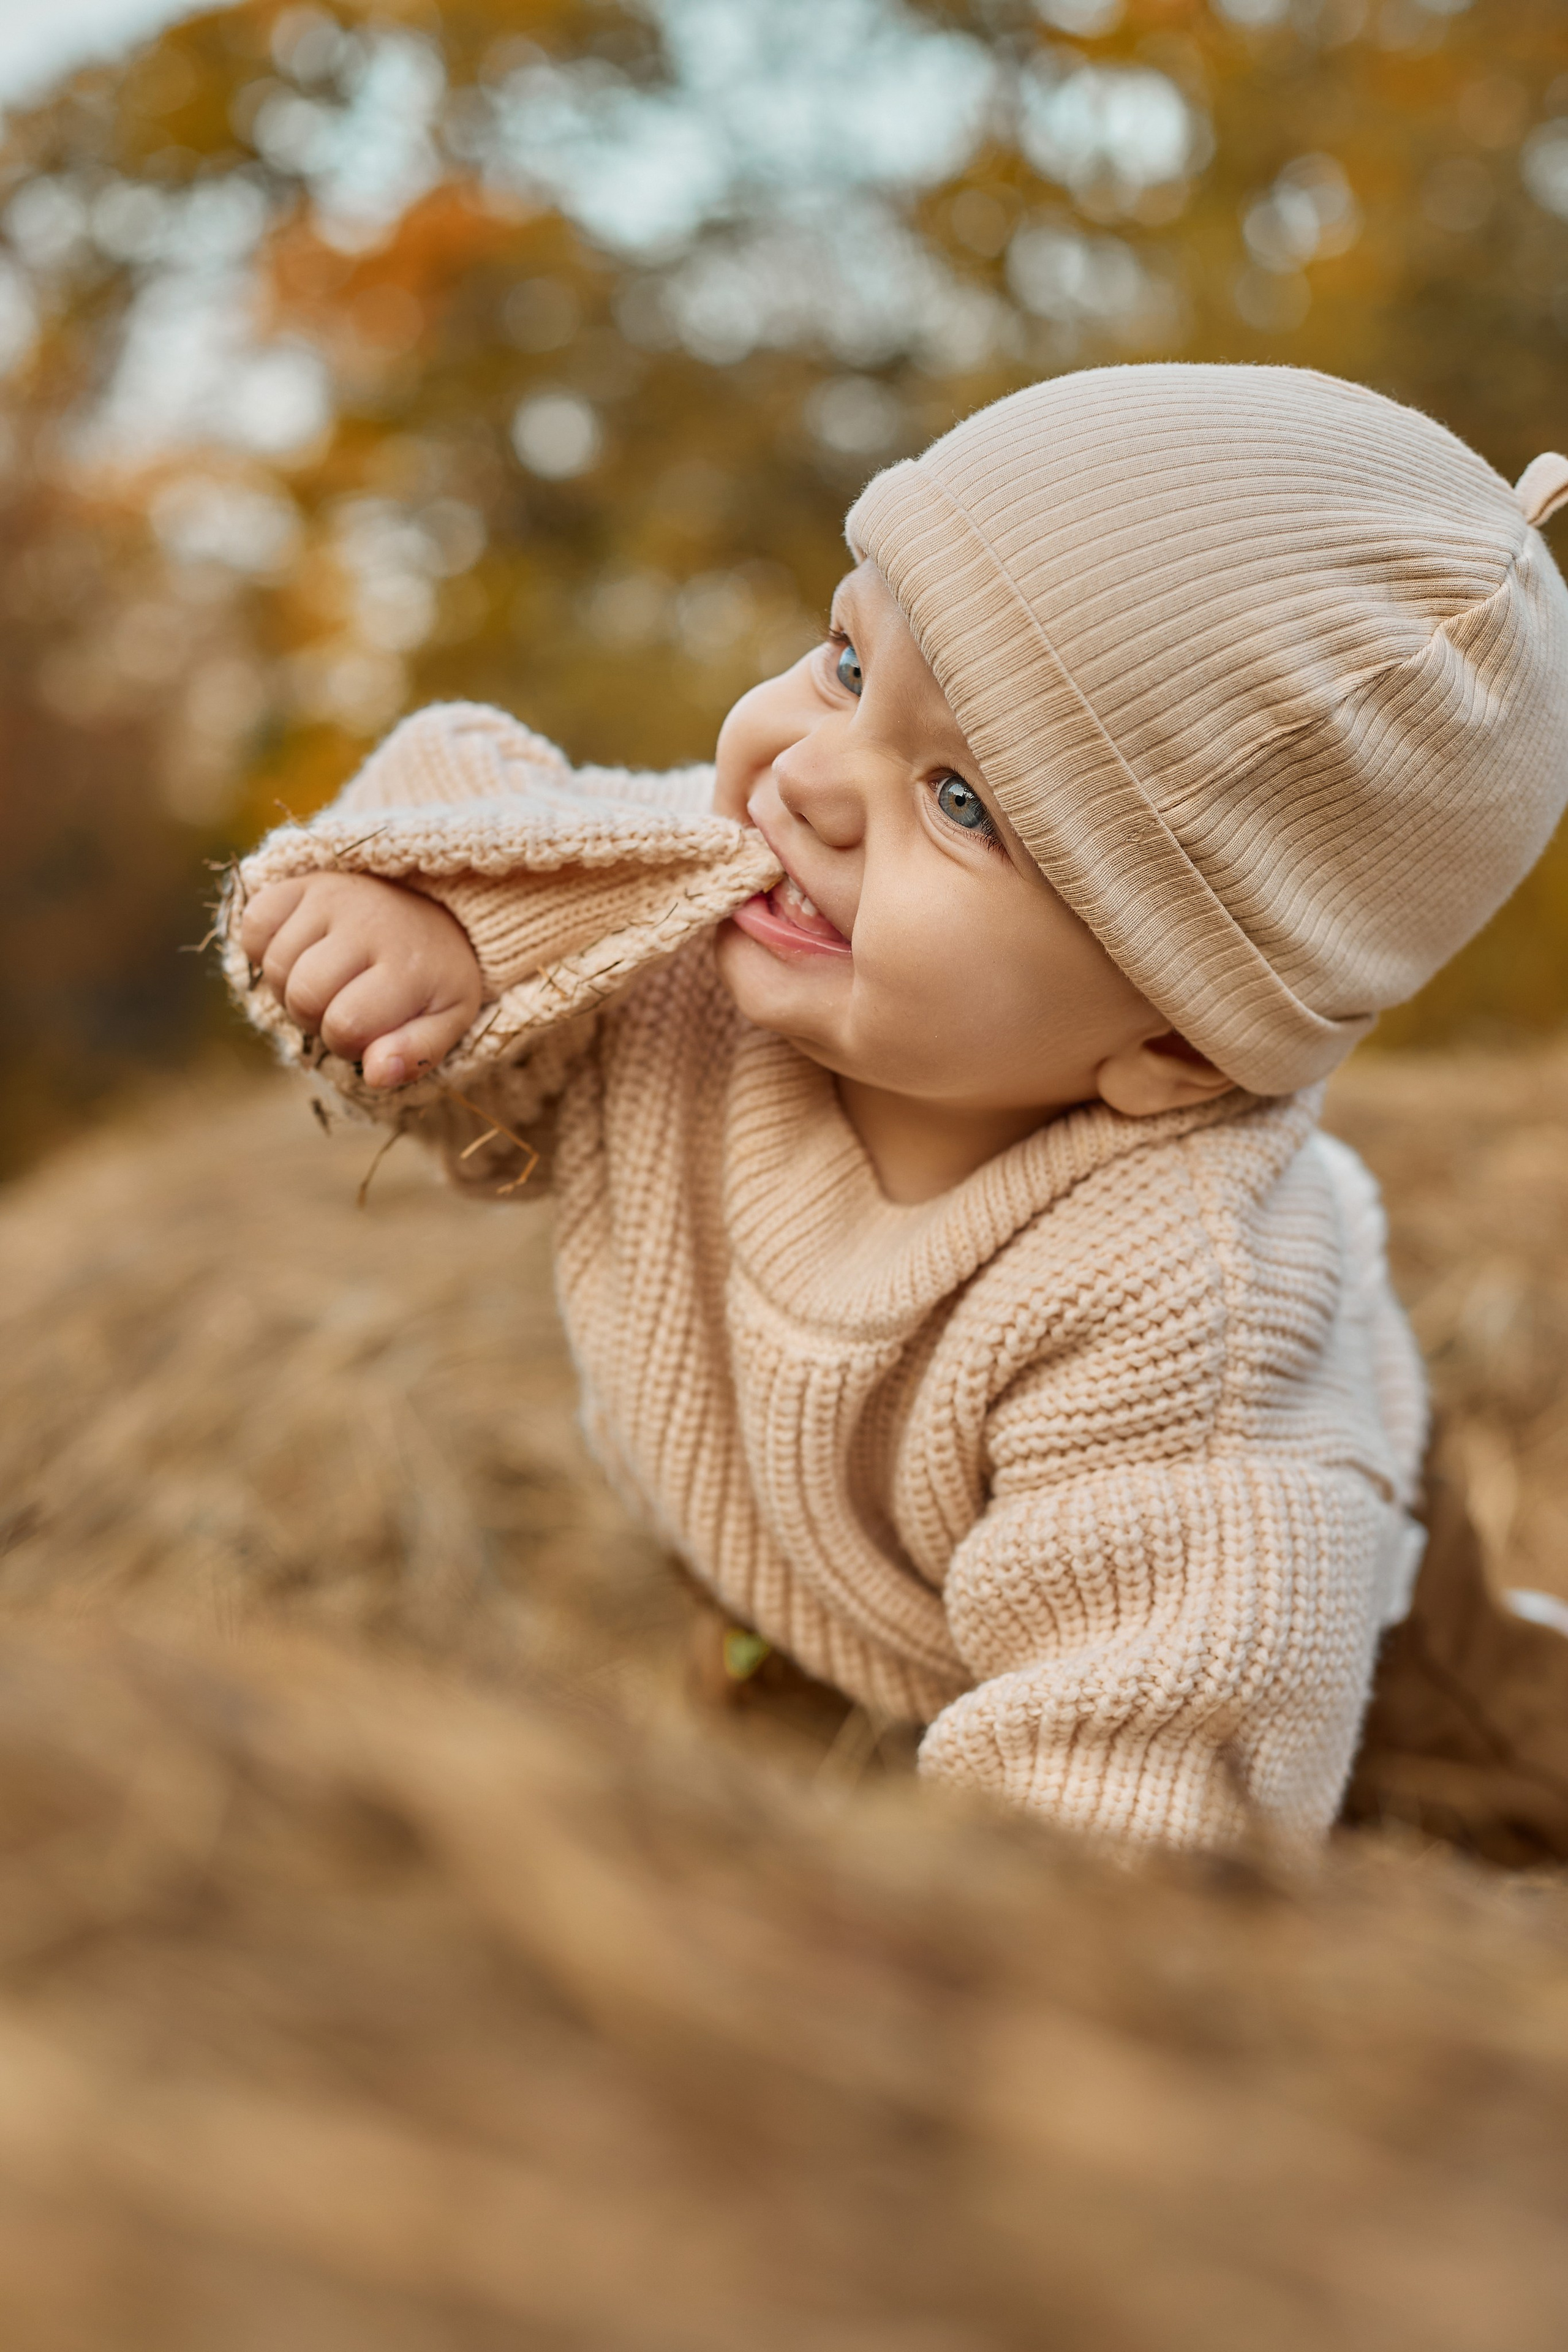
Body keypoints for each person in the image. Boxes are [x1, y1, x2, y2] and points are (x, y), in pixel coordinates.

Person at [225, 364, 1568, 1855]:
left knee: (1493, 1788)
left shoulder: (1185, 1328)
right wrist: (431, 935)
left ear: (1180, 1048)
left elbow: (1128, 1828)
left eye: (963, 803)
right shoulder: (718, 906)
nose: (809, 780)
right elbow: (495, 825)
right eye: (848, 667)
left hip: (1321, 1650)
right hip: (805, 1592)